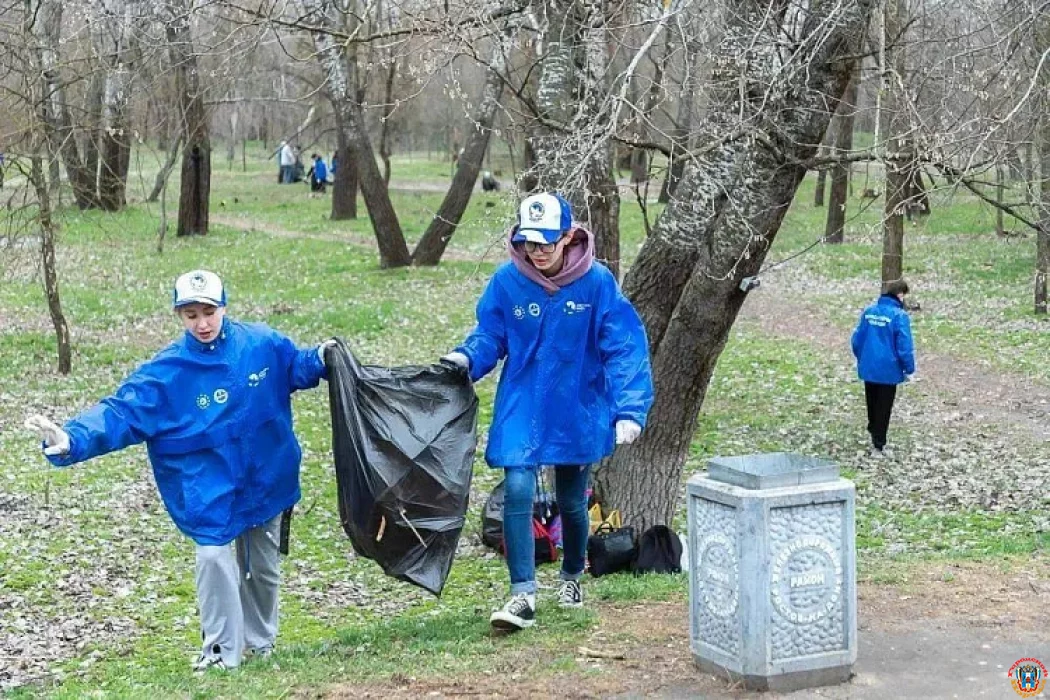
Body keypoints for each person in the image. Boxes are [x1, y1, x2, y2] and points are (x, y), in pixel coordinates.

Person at [24, 270, 336, 672]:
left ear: (223, 307)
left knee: (263, 567)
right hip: (209, 486)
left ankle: (260, 645)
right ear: (179, 316)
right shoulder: (168, 373)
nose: (202, 323)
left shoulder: (260, 344)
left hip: (266, 475)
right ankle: (222, 652)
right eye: (191, 314)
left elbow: (296, 366)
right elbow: (123, 412)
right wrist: (71, 438)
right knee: (212, 557)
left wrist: (322, 358)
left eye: (208, 311)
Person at [441, 192, 653, 631]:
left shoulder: (596, 284)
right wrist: (468, 358)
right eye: (529, 243)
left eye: (546, 243)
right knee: (517, 488)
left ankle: (572, 575)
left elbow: (624, 346)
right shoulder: (507, 281)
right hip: (522, 401)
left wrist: (630, 409)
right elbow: (490, 334)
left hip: (577, 403)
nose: (536, 252)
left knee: (572, 501)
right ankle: (523, 594)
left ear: (569, 237)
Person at [851, 278, 916, 458]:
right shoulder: (899, 316)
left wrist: (862, 358)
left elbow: (857, 339)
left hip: (869, 366)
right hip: (889, 369)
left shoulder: (869, 312)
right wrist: (909, 369)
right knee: (884, 406)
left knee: (872, 401)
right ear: (900, 295)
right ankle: (879, 444)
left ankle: (873, 431)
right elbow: (904, 345)